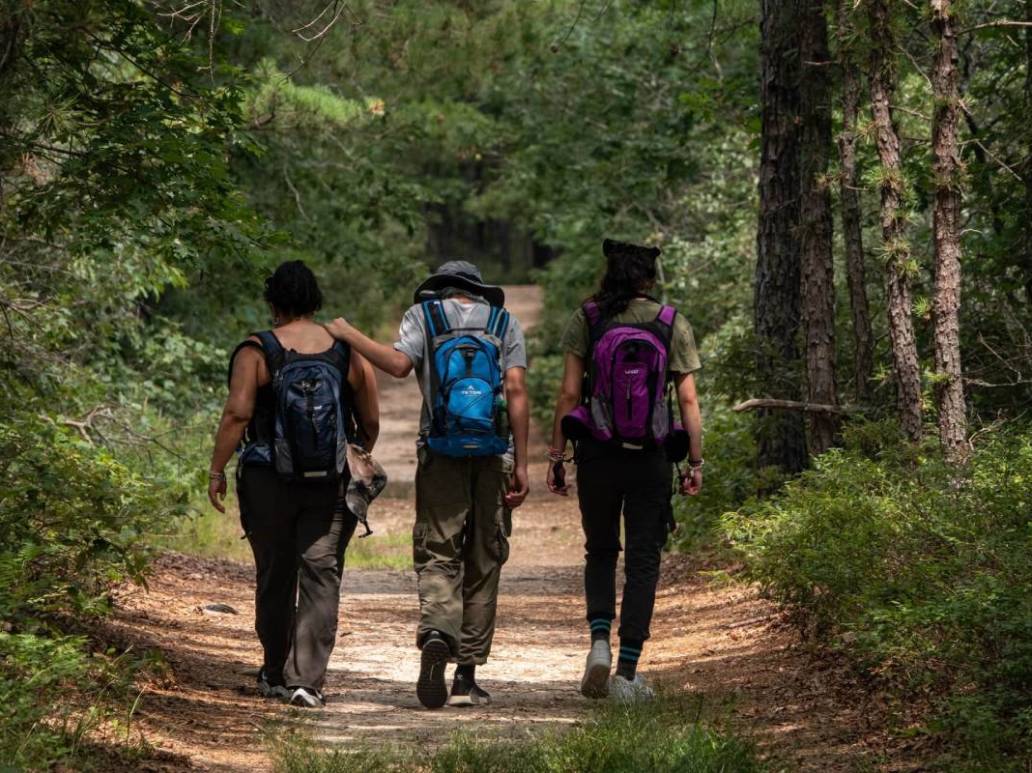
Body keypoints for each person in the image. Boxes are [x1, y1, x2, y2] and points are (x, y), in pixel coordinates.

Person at [325, 261, 530, 710]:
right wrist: (522, 464)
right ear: (478, 291)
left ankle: (438, 630)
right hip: (495, 453)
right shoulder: (504, 321)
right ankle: (466, 677)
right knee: (485, 554)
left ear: (438, 289)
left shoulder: (425, 316)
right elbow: (516, 391)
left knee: (440, 549)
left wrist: (348, 334)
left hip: (440, 451)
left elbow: (398, 366)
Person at [208, 260, 380, 708]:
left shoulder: (256, 350)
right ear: (315, 300)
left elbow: (238, 414)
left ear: (273, 303)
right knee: (321, 574)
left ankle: (273, 670)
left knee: (276, 573)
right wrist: (349, 450)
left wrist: (216, 470)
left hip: (268, 480)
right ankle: (306, 680)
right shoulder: (345, 350)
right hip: (330, 482)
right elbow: (371, 419)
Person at [546, 239, 704, 702]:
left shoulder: (588, 319)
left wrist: (557, 457)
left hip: (597, 453)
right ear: (649, 279)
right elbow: (689, 400)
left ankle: (598, 642)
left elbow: (569, 395)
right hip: (651, 457)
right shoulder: (671, 322)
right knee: (643, 560)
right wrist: (695, 462)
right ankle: (628, 672)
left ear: (609, 274)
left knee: (600, 550)